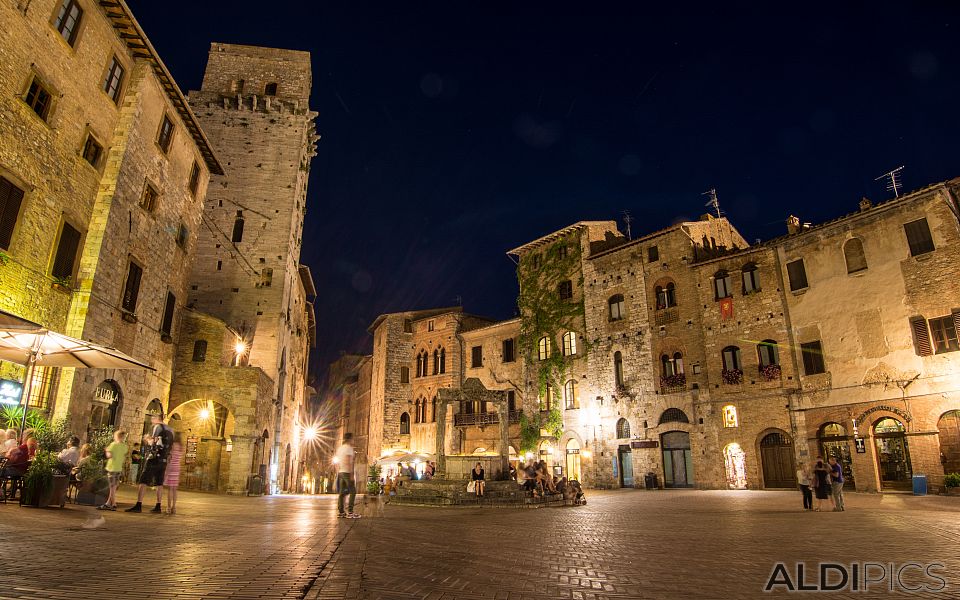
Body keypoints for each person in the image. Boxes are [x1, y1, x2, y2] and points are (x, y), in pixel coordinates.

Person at [126, 414, 173, 514]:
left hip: (153, 458)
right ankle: (158, 506)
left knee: (143, 481)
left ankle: (138, 505)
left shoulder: (157, 427)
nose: (152, 421)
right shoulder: (170, 430)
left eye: (153, 419)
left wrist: (147, 439)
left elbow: (154, 443)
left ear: (157, 419)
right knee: (159, 483)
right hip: (163, 460)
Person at [100, 431, 128, 511]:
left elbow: (109, 455)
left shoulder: (113, 445)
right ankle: (108, 503)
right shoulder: (124, 446)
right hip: (119, 468)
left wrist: (106, 450)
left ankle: (113, 503)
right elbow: (124, 454)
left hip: (112, 468)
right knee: (114, 486)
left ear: (117, 436)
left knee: (111, 487)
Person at [334, 433, 359, 518]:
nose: (353, 440)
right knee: (353, 491)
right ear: (350, 439)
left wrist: (338, 472)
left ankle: (341, 512)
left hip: (341, 472)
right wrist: (351, 473)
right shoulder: (349, 448)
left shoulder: (340, 449)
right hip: (347, 472)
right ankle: (350, 512)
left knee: (341, 493)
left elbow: (336, 462)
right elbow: (348, 461)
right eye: (352, 439)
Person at [164, 431, 183, 514]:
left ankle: (168, 507)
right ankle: (174, 507)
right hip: (177, 467)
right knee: (175, 489)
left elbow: (169, 458)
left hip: (171, 467)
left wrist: (166, 471)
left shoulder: (172, 446)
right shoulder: (181, 447)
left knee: (170, 489)